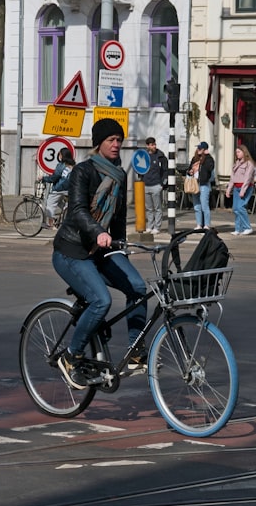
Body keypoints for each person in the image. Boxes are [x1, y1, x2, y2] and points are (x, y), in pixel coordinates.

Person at [52, 118, 148, 388]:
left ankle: (135, 354)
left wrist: (123, 248)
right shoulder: (84, 171)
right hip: (72, 251)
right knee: (101, 301)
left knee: (138, 287)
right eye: (111, 140)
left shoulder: (120, 174)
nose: (116, 144)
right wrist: (98, 232)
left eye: (119, 140)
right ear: (99, 143)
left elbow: (117, 220)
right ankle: (72, 356)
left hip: (103, 249)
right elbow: (78, 211)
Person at [226, 144, 256, 236]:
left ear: (244, 152)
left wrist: (243, 190)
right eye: (236, 152)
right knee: (235, 208)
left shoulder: (249, 164)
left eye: (239, 152)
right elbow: (233, 178)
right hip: (236, 187)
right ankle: (238, 228)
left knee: (241, 207)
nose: (237, 154)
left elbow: (247, 178)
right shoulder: (237, 163)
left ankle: (247, 227)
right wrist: (229, 189)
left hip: (245, 188)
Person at [41, 148, 75, 227]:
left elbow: (54, 178)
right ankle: (65, 217)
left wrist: (44, 178)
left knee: (50, 205)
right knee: (62, 204)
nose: (59, 156)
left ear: (62, 156)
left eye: (60, 154)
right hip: (70, 189)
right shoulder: (73, 165)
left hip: (59, 189)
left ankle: (51, 223)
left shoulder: (61, 165)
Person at [141, 137, 168, 234]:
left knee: (157, 208)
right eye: (152, 145)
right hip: (146, 184)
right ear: (147, 146)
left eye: (154, 144)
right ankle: (150, 226)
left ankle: (157, 227)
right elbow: (139, 168)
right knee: (148, 208)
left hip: (156, 184)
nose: (154, 146)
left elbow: (165, 170)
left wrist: (162, 184)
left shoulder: (160, 156)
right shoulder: (144, 156)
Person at [187, 141, 215, 229]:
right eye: (197, 148)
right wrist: (190, 171)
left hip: (204, 184)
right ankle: (199, 224)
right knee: (196, 205)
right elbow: (188, 169)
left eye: (200, 148)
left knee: (204, 205)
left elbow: (210, 168)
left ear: (204, 150)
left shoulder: (208, 159)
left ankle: (207, 224)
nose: (198, 150)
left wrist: (207, 156)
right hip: (195, 183)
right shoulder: (194, 159)